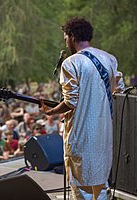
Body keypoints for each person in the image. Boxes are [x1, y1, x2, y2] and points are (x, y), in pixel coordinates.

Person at [40, 17, 124, 199]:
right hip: (104, 133)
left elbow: (71, 101)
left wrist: (51, 111)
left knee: (81, 188)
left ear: (72, 36)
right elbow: (120, 92)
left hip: (81, 134)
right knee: (101, 185)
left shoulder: (71, 63)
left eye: (65, 38)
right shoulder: (110, 59)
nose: (66, 43)